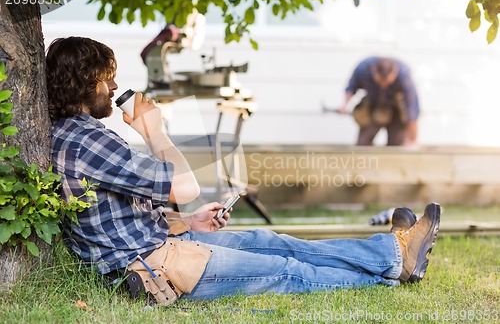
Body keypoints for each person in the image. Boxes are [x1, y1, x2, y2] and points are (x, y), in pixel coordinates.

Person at [47, 37, 440, 306]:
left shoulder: (84, 136)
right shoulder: (85, 142)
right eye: (106, 77)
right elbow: (184, 184)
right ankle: (392, 268)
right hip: (156, 266)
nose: (115, 85)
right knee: (287, 272)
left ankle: (394, 253)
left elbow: (118, 214)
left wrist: (189, 220)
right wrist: (155, 130)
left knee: (277, 242)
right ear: (85, 82)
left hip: (163, 246)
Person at [339, 56, 419, 147]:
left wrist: (413, 140)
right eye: (380, 81)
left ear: (395, 72)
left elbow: (412, 108)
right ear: (374, 71)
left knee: (396, 145)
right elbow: (351, 88)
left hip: (395, 110)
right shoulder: (363, 69)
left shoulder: (404, 75)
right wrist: (344, 105)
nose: (384, 85)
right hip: (372, 107)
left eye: (387, 82)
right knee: (362, 145)